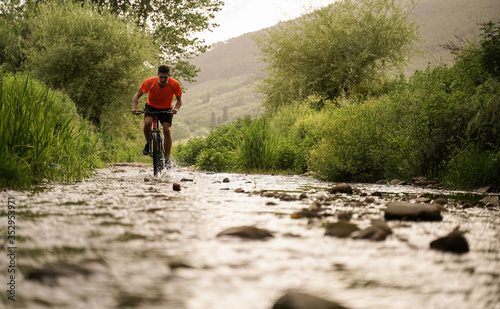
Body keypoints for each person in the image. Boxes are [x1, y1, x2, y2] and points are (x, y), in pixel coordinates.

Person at [131, 65, 183, 169]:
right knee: (147, 123)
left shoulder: (174, 84)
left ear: (169, 76)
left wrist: (176, 109)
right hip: (151, 107)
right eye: (161, 77)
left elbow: (179, 100)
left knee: (167, 130)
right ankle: (149, 144)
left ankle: (167, 159)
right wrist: (134, 108)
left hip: (166, 108)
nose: (163, 79)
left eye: (165, 77)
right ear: (158, 75)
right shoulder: (150, 82)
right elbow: (137, 95)